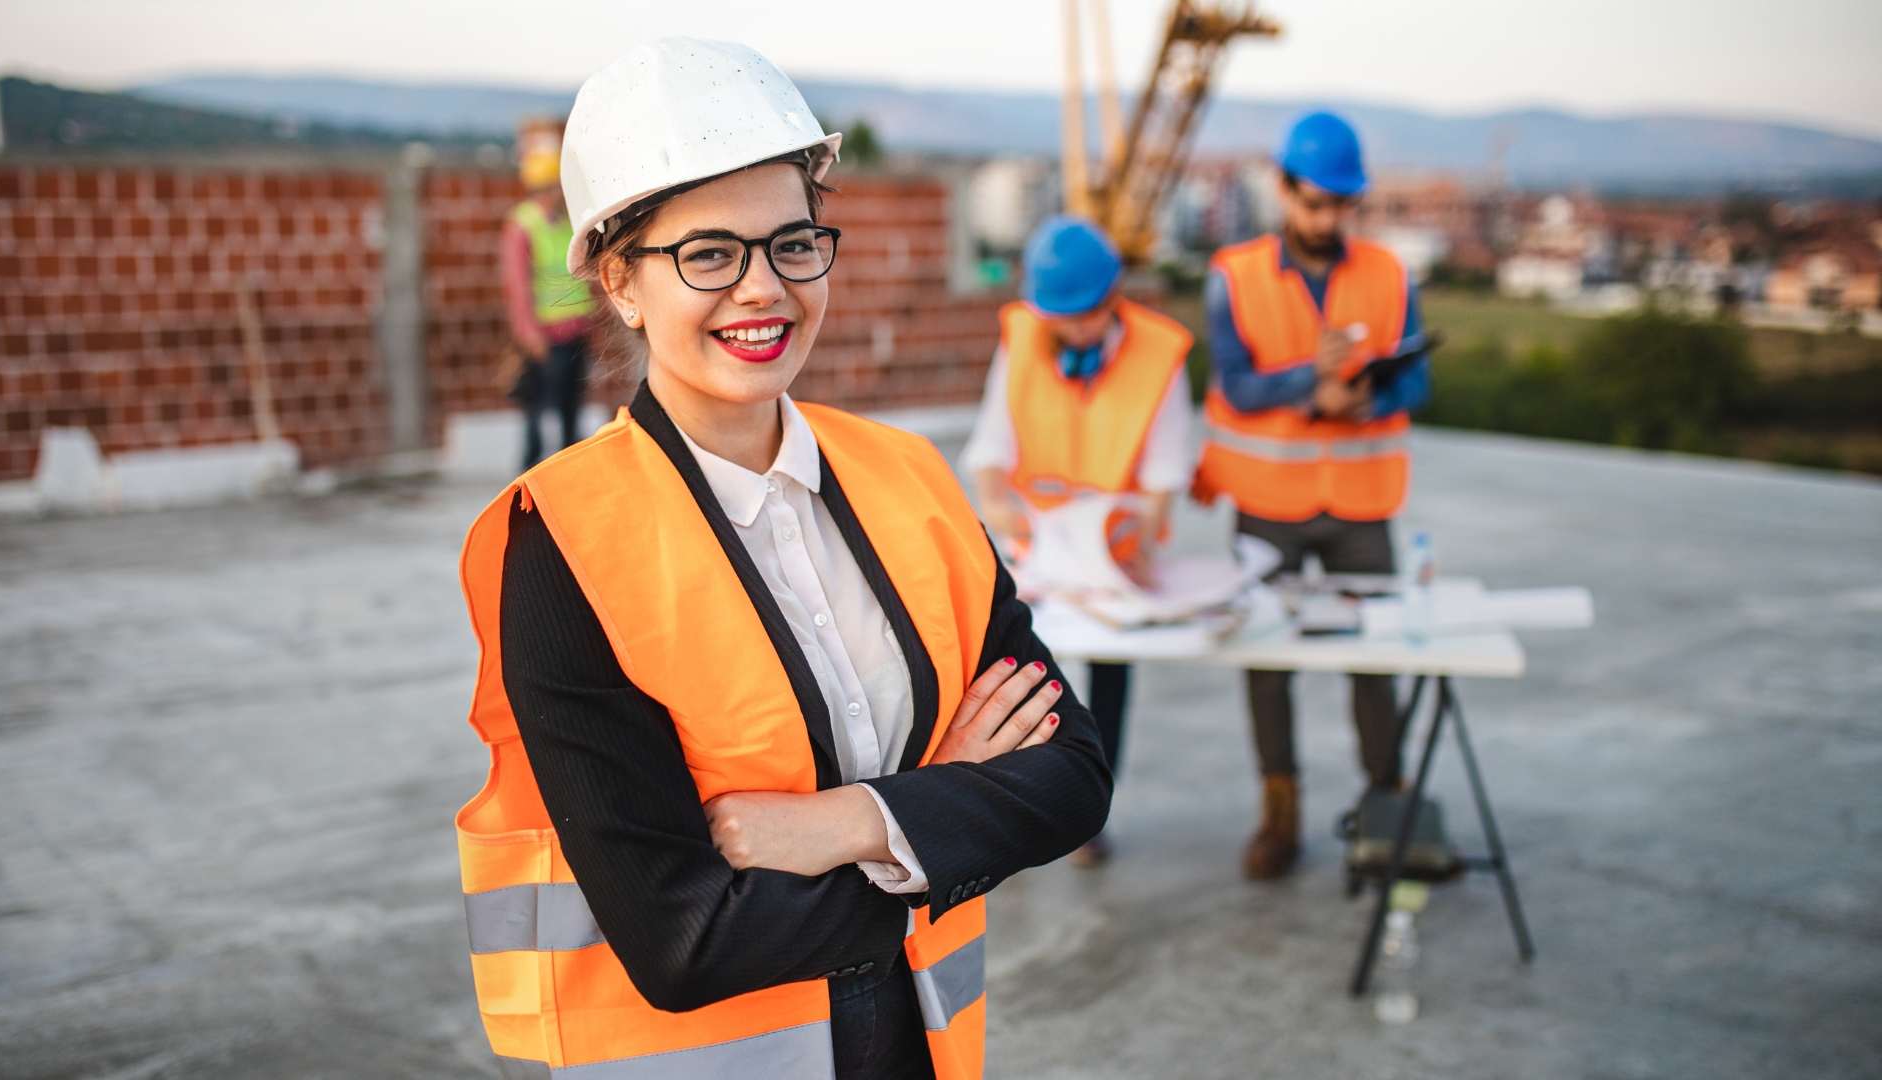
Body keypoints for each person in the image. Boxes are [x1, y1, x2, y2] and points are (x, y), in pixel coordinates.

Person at [454, 39, 1111, 1080]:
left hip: (921, 1051)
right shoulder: (561, 544)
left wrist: (841, 824)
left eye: (792, 243)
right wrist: (947, 819)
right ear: (621, 281)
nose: (764, 290)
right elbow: (685, 939)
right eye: (708, 254)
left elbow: (1072, 776)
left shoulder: (911, 482)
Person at [1192, 111, 1432, 881]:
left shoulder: (1390, 276)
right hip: (1270, 504)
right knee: (1266, 661)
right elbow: (1234, 383)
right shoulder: (1233, 275)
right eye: (1317, 202)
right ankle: (1281, 812)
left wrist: (1374, 398)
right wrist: (1311, 383)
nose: (1330, 219)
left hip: (1362, 502)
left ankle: (1387, 809)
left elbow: (1419, 378)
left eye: (1343, 204)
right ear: (1284, 188)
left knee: (1375, 660)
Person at [961, 215, 1195, 865]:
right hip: (1035, 557)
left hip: (1116, 562)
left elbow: (1163, 478)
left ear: (1114, 296)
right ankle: (1019, 806)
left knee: (1108, 680)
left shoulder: (1158, 357)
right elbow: (991, 455)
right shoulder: (1024, 342)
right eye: (1060, 317)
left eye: (1087, 314)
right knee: (1023, 678)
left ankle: (1088, 812)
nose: (1074, 329)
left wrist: (1134, 536)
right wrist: (1003, 511)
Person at [501, 120, 601, 469]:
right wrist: (529, 336)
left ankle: (570, 476)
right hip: (545, 339)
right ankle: (527, 480)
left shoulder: (566, 222)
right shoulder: (524, 225)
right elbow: (518, 285)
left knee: (572, 412)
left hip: (575, 334)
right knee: (538, 414)